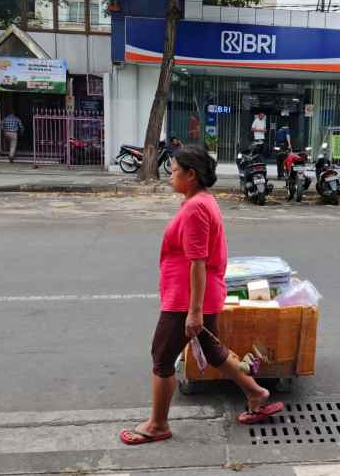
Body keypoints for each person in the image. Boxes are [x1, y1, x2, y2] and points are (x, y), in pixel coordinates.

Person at [120, 146, 283, 445]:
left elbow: (197, 261)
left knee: (162, 357)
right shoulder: (202, 200)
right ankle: (256, 393)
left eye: (174, 169)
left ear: (191, 175)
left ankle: (158, 425)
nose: (170, 175)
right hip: (198, 295)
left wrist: (193, 312)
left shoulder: (196, 208)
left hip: (187, 299)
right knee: (213, 351)